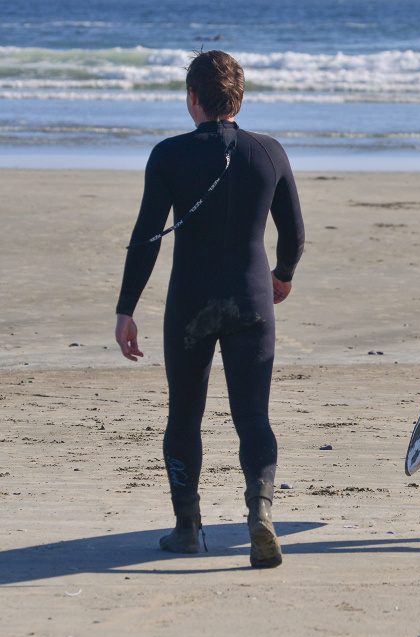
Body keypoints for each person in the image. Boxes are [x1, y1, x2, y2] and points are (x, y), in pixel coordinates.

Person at [115, 50, 305, 568]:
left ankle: (187, 528)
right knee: (253, 416)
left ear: (193, 98)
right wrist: (281, 277)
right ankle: (260, 514)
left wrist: (126, 308)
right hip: (252, 301)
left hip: (191, 305)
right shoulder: (269, 152)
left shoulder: (168, 155)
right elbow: (294, 234)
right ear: (239, 97)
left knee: (185, 415)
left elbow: (147, 237)